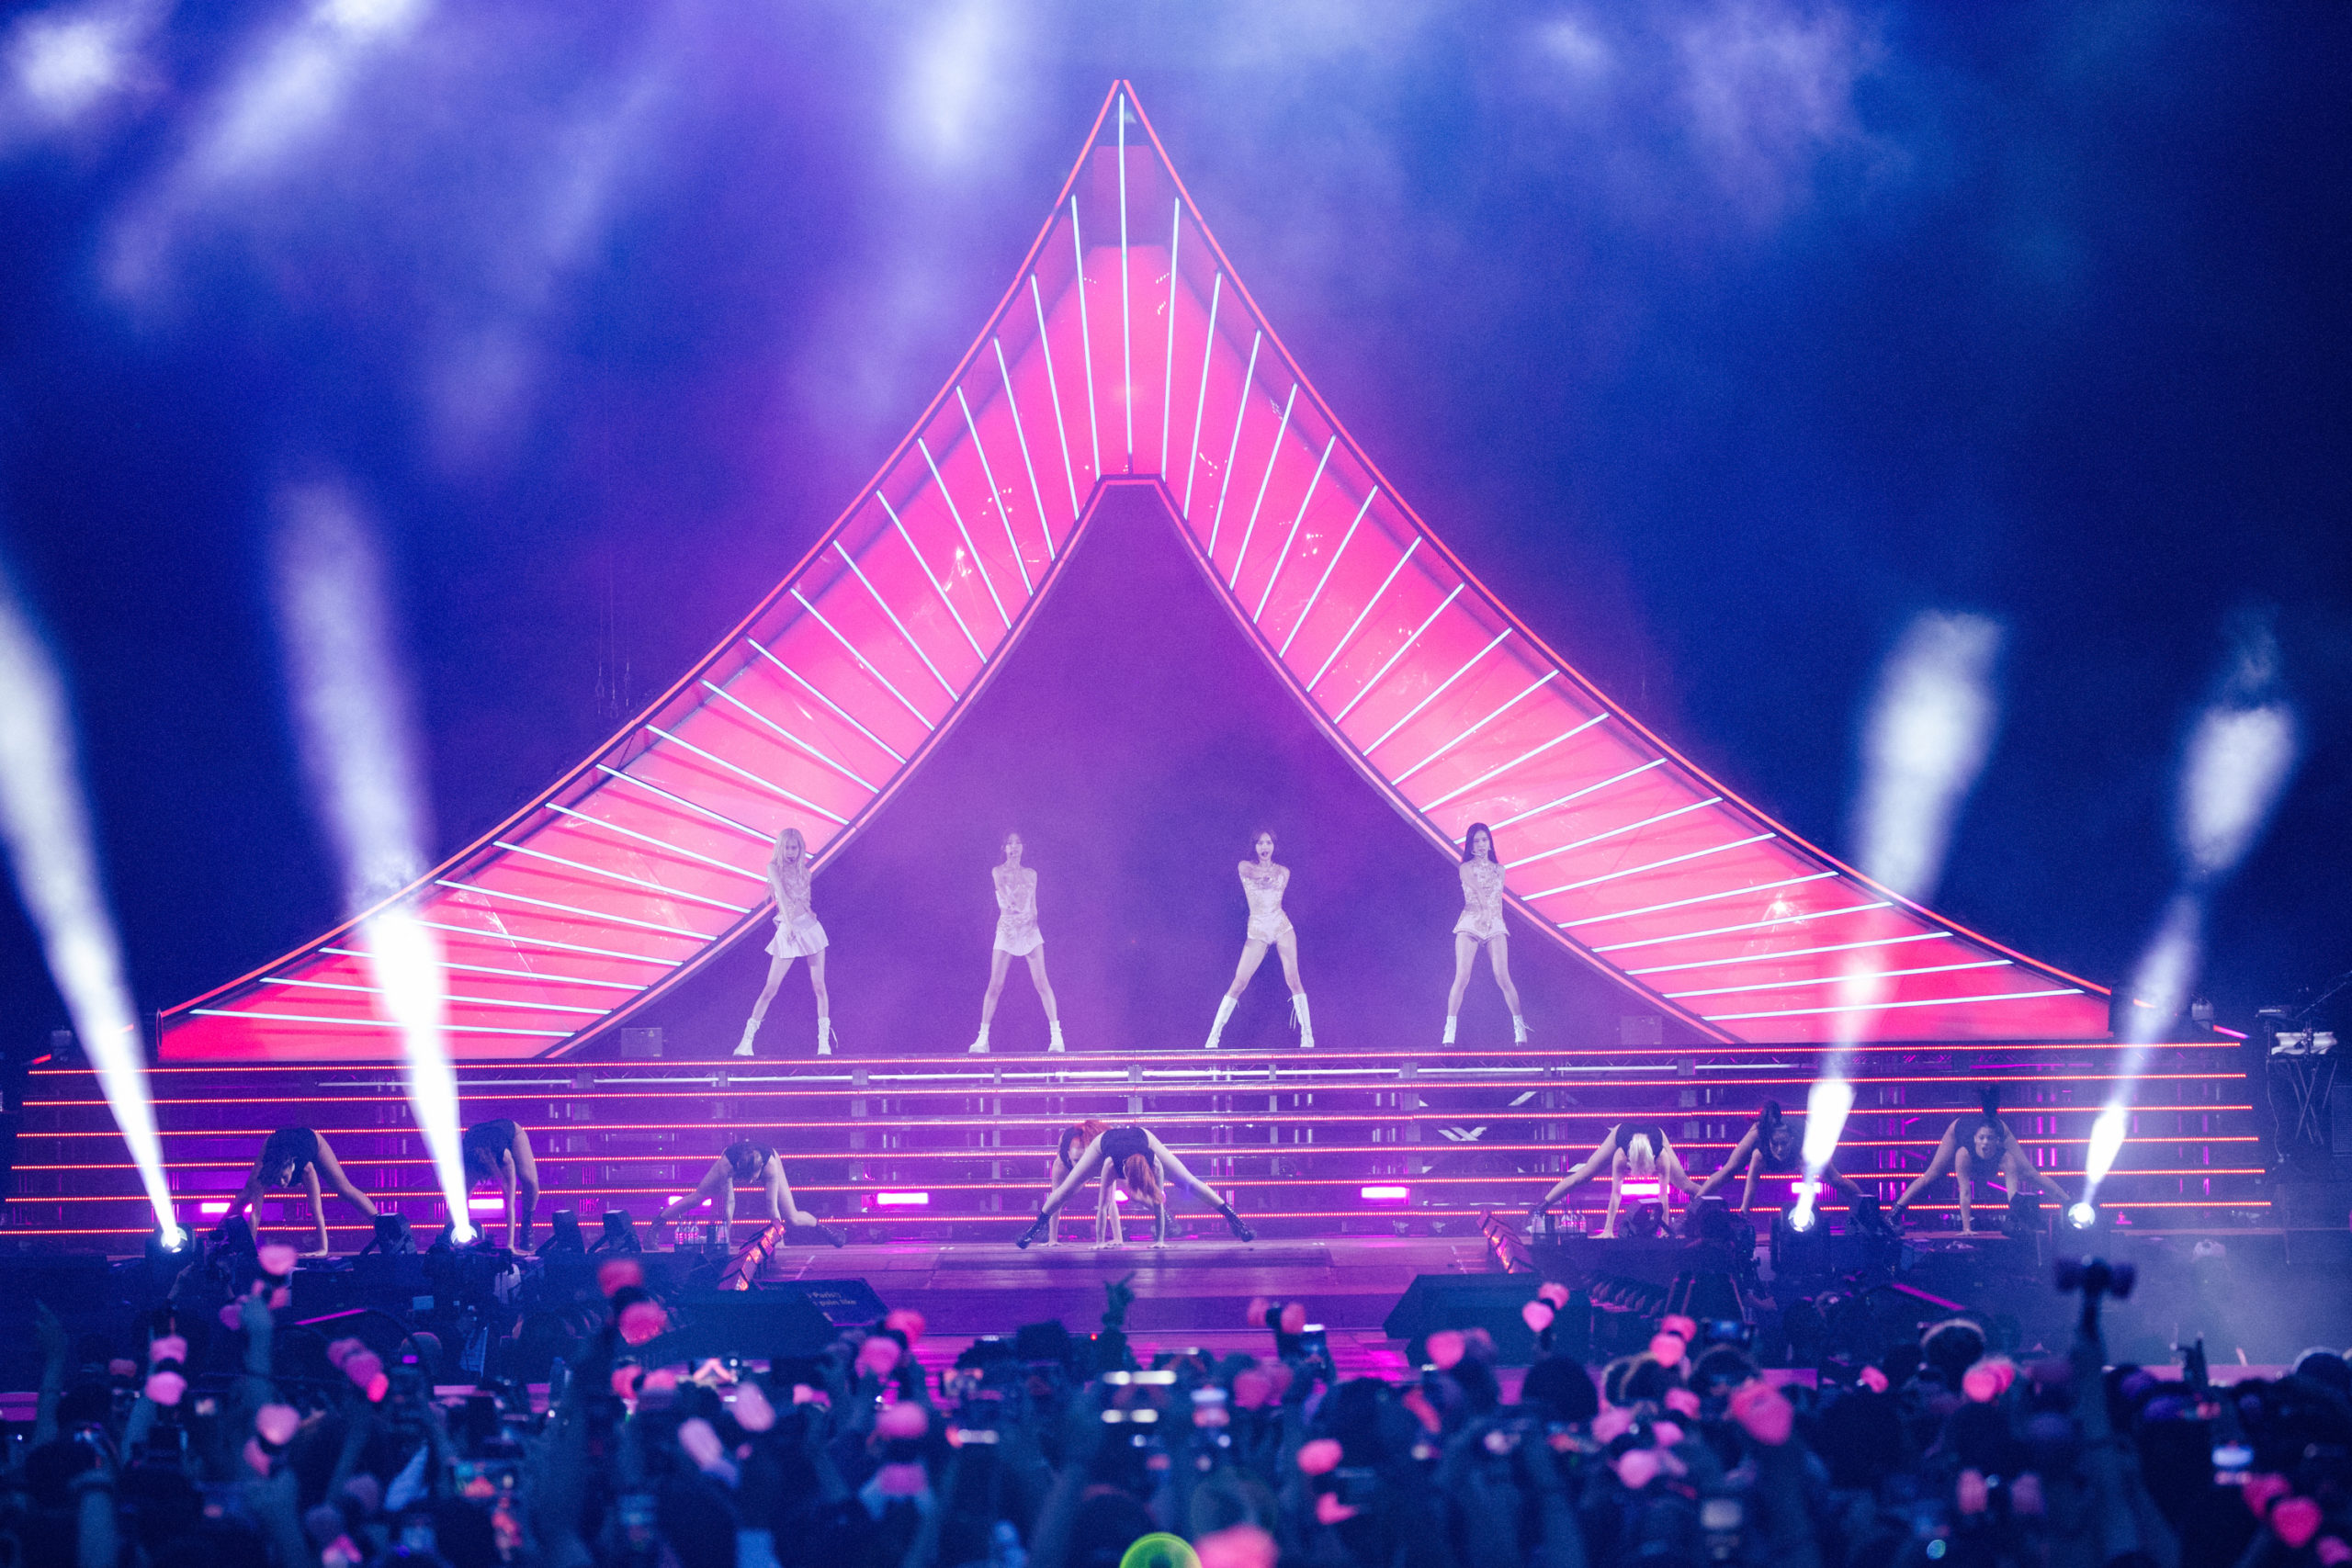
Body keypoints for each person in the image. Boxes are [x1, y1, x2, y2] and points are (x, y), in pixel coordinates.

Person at [1015, 1123, 1254, 1247]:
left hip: (1143, 1138)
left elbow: (1160, 1204)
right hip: (1104, 1144)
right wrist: (1100, 1243)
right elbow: (1103, 1205)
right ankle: (1033, 1231)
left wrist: (1160, 1241)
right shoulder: (1108, 1163)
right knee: (1068, 1188)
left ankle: (1236, 1221)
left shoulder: (1155, 1163)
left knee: (1187, 1180)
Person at [1890, 1089, 2077, 1231]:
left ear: (1997, 1141)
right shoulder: (1963, 1152)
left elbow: (2013, 1193)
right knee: (1931, 1174)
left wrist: (2014, 1218)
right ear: (1976, 1140)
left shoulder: (2005, 1151)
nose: (1986, 1144)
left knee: (2029, 1173)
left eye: (1990, 1140)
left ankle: (2069, 1203)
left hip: (1996, 1130)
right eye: (1982, 1140)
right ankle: (1895, 1213)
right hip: (1958, 1131)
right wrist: (1966, 1229)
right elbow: (1964, 1191)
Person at [1204, 830, 1312, 1049]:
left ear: (1274, 846)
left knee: (1293, 979)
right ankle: (1213, 1037)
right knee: (1239, 982)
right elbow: (1253, 875)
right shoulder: (1244, 866)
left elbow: (1276, 889)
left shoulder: (1284, 871)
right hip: (1258, 929)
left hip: (1281, 925)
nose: (1265, 847)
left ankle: (1307, 1036)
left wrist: (1270, 875)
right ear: (1254, 846)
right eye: (1261, 843)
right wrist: (1263, 876)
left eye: (1269, 842)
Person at [737, 828, 832, 1057]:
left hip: (808, 928)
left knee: (819, 986)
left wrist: (809, 913)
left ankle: (824, 1043)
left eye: (795, 847)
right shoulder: (773, 868)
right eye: (787, 847)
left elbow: (804, 899)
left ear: (800, 848)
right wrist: (788, 926)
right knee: (770, 988)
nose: (791, 851)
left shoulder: (805, 872)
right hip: (788, 928)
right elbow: (780, 895)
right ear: (781, 847)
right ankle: (746, 1043)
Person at [968, 830, 1065, 1055]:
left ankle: (1057, 1037)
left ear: (1023, 847)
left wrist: (1033, 921)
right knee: (996, 984)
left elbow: (1033, 904)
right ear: (1004, 848)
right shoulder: (997, 871)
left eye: (1018, 843)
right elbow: (1004, 892)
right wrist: (1014, 902)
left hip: (1029, 929)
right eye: (1010, 843)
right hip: (1007, 928)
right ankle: (982, 1039)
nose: (1014, 846)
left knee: (1041, 982)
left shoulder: (1032, 874)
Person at [220, 1126, 379, 1258]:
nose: (282, 1185)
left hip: (311, 1140)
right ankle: (216, 1234)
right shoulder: (265, 1170)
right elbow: (255, 1215)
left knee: (344, 1188)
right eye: (277, 1180)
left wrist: (323, 1249)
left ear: (290, 1167)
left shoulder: (307, 1169)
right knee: (248, 1192)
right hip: (275, 1141)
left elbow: (317, 1211)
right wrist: (251, 1253)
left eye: (284, 1178)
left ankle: (384, 1225)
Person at [652, 1140, 844, 1247]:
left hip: (771, 1160)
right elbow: (729, 1203)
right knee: (698, 1196)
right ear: (739, 1169)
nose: (752, 1182)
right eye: (749, 1177)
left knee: (792, 1216)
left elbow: (772, 1208)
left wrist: (779, 1240)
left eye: (755, 1177)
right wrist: (724, 1236)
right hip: (731, 1161)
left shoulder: (770, 1166)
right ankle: (658, 1223)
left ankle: (825, 1229)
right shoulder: (726, 1165)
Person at [1526, 1122, 1700, 1237]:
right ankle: (1542, 1205)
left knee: (1684, 1183)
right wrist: (1608, 1229)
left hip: (1654, 1138)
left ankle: (1712, 1202)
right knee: (1585, 1174)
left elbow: (1663, 1196)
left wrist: (1665, 1232)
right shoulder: (1621, 1154)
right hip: (1621, 1133)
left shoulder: (1661, 1155)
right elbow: (1616, 1194)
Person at [1695, 1100, 1871, 1214]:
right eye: (1775, 1145)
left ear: (1792, 1141)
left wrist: (1806, 1212)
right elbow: (1752, 1181)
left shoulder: (1805, 1147)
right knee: (1728, 1171)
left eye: (1783, 1145)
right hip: (1762, 1140)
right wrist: (1744, 1213)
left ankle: (1867, 1211)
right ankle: (1690, 1212)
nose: (1779, 1150)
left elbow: (1808, 1181)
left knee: (1836, 1179)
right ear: (1768, 1141)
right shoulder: (1759, 1140)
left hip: (1805, 1142)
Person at [1443, 821, 1527, 1045]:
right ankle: (1449, 1031)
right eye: (1477, 840)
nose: (1481, 844)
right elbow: (1479, 891)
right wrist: (1484, 914)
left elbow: (1495, 897)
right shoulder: (1466, 867)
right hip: (1471, 920)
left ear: (1490, 842)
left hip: (1495, 922)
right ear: (1471, 844)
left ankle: (1520, 1030)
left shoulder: (1500, 870)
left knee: (1502, 976)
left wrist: (1491, 918)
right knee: (1462, 976)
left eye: (1484, 840)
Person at [459, 1118, 540, 1251]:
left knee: (530, 1181)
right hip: (477, 1136)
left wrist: (509, 1246)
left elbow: (510, 1204)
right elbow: (457, 1203)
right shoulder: (468, 1162)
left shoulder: (504, 1158)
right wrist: (447, 1239)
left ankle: (527, 1225)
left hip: (511, 1132)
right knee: (461, 1197)